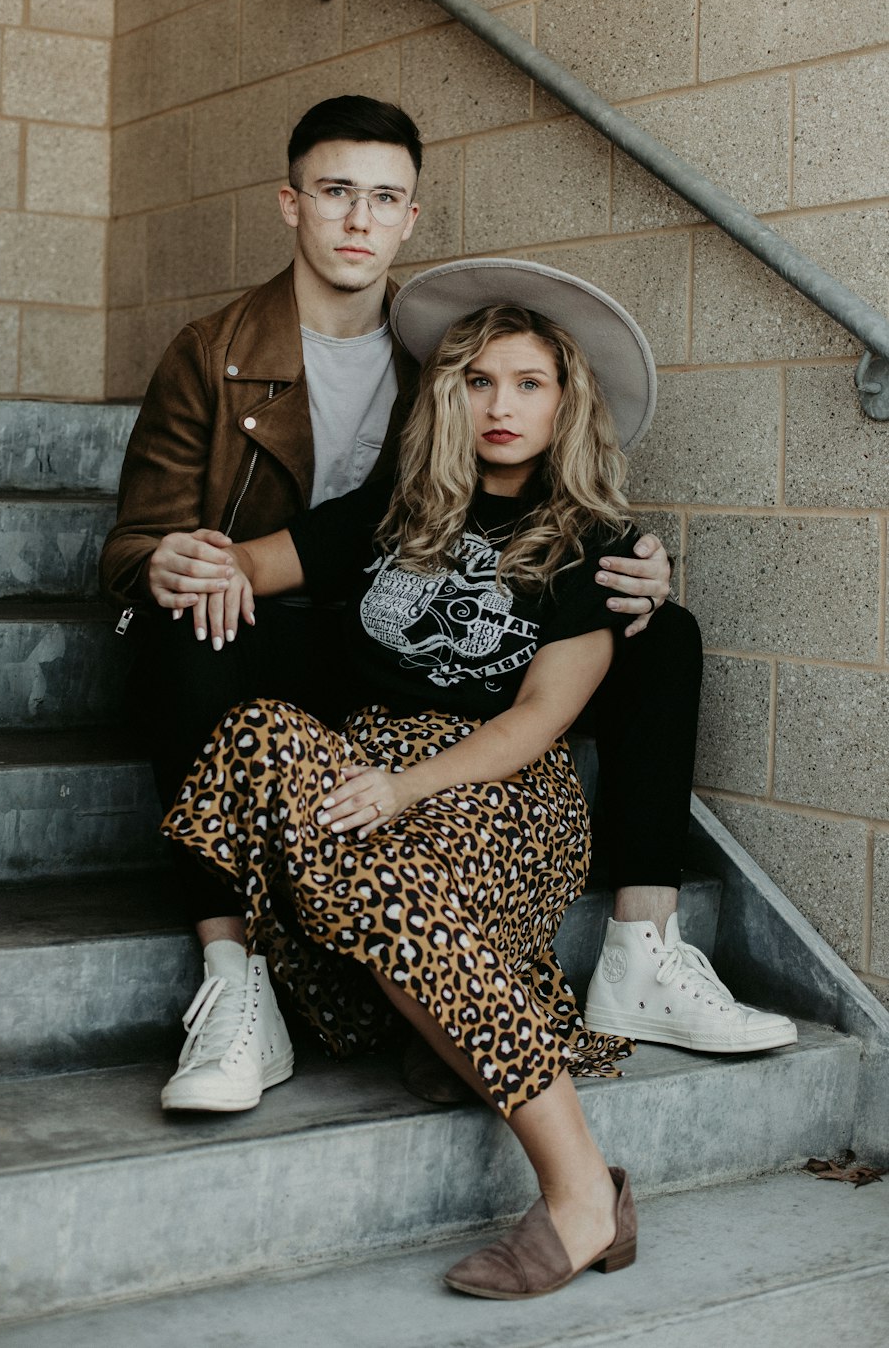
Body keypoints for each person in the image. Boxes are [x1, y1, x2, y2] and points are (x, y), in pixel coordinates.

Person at [98, 94, 793, 1115]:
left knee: (664, 629)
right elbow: (209, 546)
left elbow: (541, 630)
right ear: (292, 203)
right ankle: (234, 979)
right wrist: (175, 562)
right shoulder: (221, 358)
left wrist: (633, 571)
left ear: (412, 217)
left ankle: (643, 948)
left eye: (383, 198)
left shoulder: (457, 378)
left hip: (460, 699)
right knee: (193, 612)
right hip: (318, 655)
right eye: (336, 192)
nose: (357, 219)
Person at [161, 262, 647, 1297]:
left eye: (527, 384)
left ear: (566, 403)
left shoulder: (591, 546)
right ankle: (443, 1030)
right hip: (364, 776)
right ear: (446, 395)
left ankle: (578, 1191)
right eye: (478, 382)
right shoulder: (395, 511)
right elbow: (253, 564)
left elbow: (536, 721)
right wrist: (188, 564)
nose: (502, 407)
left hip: (502, 793)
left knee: (374, 862)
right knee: (257, 730)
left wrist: (406, 786)